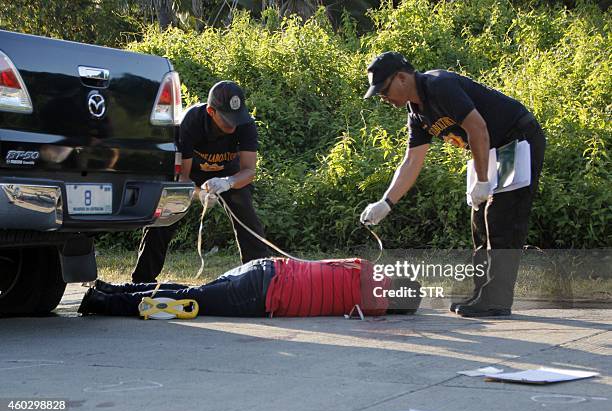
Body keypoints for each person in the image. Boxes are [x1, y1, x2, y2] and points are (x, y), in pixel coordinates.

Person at [360, 52, 546, 318]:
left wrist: (483, 181)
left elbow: (478, 128)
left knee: (501, 218)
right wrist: (386, 203)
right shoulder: (417, 113)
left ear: (401, 78)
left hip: (516, 139)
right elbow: (412, 161)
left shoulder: (439, 85)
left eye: (384, 90)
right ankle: (483, 294)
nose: (383, 97)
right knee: (479, 219)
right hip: (489, 150)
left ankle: (496, 300)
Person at [131, 81, 270, 283]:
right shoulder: (191, 122)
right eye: (226, 119)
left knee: (247, 217)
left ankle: (258, 278)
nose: (232, 125)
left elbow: (248, 171)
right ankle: (142, 280)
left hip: (228, 174)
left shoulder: (245, 123)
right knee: (167, 213)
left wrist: (228, 182)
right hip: (192, 174)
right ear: (211, 111)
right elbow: (183, 177)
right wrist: (199, 194)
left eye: (236, 119)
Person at [78, 258, 422, 317]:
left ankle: (114, 290)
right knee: (190, 299)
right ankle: (104, 302)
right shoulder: (374, 305)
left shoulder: (365, 268)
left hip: (267, 268)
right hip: (262, 296)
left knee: (192, 290)